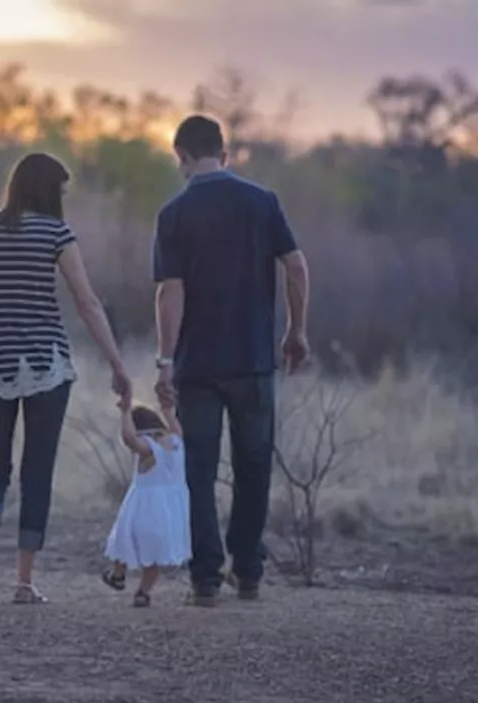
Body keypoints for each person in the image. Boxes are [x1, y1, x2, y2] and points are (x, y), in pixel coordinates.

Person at [0, 152, 132, 605]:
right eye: (62, 191)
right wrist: (117, 364)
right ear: (49, 191)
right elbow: (87, 304)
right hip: (45, 364)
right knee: (37, 470)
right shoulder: (56, 234)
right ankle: (24, 582)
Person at [151, 115, 311, 607]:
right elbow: (296, 266)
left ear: (180, 155)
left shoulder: (174, 212)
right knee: (253, 466)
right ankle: (248, 571)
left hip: (198, 364)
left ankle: (204, 577)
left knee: (197, 471)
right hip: (253, 358)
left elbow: (169, 293)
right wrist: (296, 329)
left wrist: (164, 360)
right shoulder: (262, 203)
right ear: (224, 152)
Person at [101, 397, 191, 608]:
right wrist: (168, 409)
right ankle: (143, 592)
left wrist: (124, 413)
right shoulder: (177, 442)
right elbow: (176, 428)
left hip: (144, 508)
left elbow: (129, 438)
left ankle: (118, 573)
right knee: (154, 555)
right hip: (171, 512)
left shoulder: (148, 449)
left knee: (124, 539)